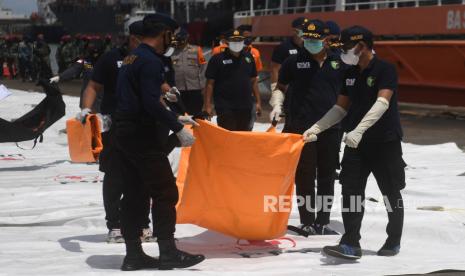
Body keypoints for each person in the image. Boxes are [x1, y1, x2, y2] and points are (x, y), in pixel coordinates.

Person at [303, 26, 406, 259]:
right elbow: (340, 108)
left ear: (361, 46)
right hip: (355, 144)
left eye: (347, 47)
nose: (343, 52)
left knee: (390, 193)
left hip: (384, 142)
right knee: (351, 193)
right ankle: (350, 242)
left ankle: (393, 239)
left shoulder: (385, 69)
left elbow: (382, 103)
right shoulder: (349, 73)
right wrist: (317, 128)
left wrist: (360, 129)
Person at [113, 13, 205, 271]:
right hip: (143, 136)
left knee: (133, 193)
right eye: (171, 34)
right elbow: (150, 103)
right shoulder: (151, 61)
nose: (173, 39)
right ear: (164, 33)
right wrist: (177, 127)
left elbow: (144, 98)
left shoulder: (132, 58)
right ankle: (168, 252)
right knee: (165, 192)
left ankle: (133, 255)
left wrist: (177, 115)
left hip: (125, 133)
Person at [77, 21, 155, 244]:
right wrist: (87, 109)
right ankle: (115, 225)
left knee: (144, 176)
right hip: (115, 126)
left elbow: (159, 86)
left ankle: (142, 224)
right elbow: (93, 85)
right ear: (134, 39)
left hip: (144, 125)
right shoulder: (111, 59)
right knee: (115, 176)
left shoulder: (150, 58)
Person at [274, 19, 345, 235]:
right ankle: (306, 220)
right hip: (301, 128)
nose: (310, 43)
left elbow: (347, 95)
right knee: (305, 176)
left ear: (325, 40)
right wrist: (277, 104)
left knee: (326, 175)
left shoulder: (339, 62)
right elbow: (280, 87)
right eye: (307, 39)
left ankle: (322, 221)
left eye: (315, 40)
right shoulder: (293, 62)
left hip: (331, 128)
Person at [203, 29, 262, 131]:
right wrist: (207, 106)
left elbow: (253, 81)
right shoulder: (217, 59)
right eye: (233, 40)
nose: (237, 43)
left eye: (239, 40)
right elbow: (209, 84)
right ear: (226, 42)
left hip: (246, 106)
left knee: (244, 137)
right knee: (228, 137)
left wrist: (258, 102)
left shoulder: (249, 57)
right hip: (225, 106)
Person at [49, 36, 105, 112]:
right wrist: (59, 77)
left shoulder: (106, 61)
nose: (94, 53)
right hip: (86, 103)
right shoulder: (85, 61)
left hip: (103, 102)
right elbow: (74, 69)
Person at [269, 17, 306, 126]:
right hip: (287, 87)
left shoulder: (308, 46)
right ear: (294, 30)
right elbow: (275, 69)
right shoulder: (284, 47)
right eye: (302, 28)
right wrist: (275, 90)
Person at [171, 28, 207, 116]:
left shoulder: (196, 49)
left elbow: (203, 67)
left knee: (196, 114)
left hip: (195, 88)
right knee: (180, 115)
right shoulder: (171, 52)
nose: (179, 41)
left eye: (181, 39)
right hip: (178, 89)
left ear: (186, 38)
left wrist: (202, 85)